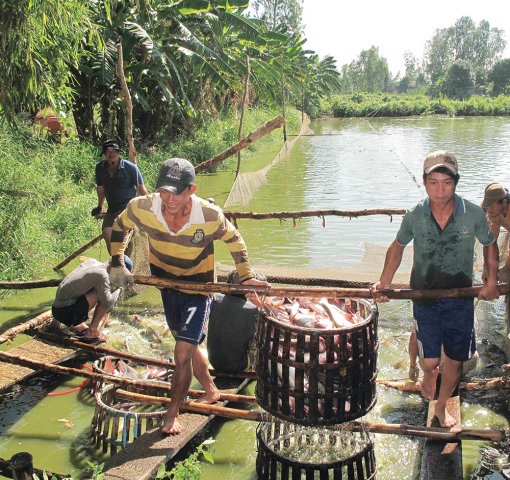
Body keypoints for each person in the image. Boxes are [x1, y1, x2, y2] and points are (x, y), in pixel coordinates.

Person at [108, 157, 270, 435]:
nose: (169, 200)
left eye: (177, 192)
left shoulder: (208, 216)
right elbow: (120, 225)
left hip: (198, 287)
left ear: (191, 190)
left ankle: (173, 413)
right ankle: (211, 390)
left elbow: (234, 240)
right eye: (163, 191)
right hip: (166, 284)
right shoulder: (142, 207)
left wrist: (245, 276)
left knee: (182, 351)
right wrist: (117, 260)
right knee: (190, 346)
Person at [372, 150, 499, 428]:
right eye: (433, 182)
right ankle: (429, 373)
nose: (440, 189)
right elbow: (397, 249)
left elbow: (490, 243)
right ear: (424, 182)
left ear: (456, 182)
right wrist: (385, 283)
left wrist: (491, 282)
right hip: (424, 296)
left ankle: (441, 407)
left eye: (446, 182)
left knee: (455, 360)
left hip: (460, 298)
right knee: (429, 361)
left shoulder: (474, 214)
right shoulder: (415, 215)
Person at [51, 256, 133, 343]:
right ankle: (92, 332)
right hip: (64, 313)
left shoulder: (92, 262)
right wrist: (119, 288)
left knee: (101, 289)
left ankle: (55, 322)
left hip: (56, 309)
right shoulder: (102, 275)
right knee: (106, 293)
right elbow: (108, 303)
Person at [92, 140, 148, 254]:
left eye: (114, 152)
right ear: (104, 154)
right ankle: (116, 263)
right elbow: (100, 188)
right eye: (108, 152)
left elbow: (142, 190)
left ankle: (124, 265)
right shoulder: (100, 168)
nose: (111, 154)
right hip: (112, 209)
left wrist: (146, 209)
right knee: (107, 234)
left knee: (123, 237)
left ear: (119, 153)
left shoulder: (130, 168)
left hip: (129, 209)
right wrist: (100, 206)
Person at [207, 270, 266, 372]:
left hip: (214, 362)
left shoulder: (214, 299)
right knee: (262, 334)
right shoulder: (253, 309)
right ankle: (253, 368)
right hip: (240, 365)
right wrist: (261, 306)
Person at [481, 183, 510, 281]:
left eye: (493, 205)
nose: (489, 209)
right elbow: (491, 241)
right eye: (487, 205)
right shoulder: (493, 212)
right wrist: (487, 268)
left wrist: (506, 269)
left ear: (504, 203)